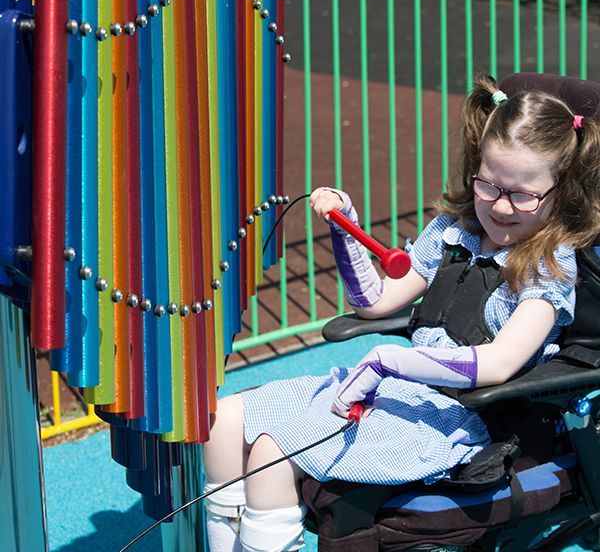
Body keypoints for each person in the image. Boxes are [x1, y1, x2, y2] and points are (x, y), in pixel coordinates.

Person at [202, 74, 600, 552]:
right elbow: (374, 301)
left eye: (522, 194)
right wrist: (345, 232)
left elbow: (498, 363)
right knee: (222, 421)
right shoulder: (453, 233)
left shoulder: (548, 267)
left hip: (460, 417)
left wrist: (393, 361)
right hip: (401, 392)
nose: (500, 205)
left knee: (271, 451)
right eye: (488, 184)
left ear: (563, 191)